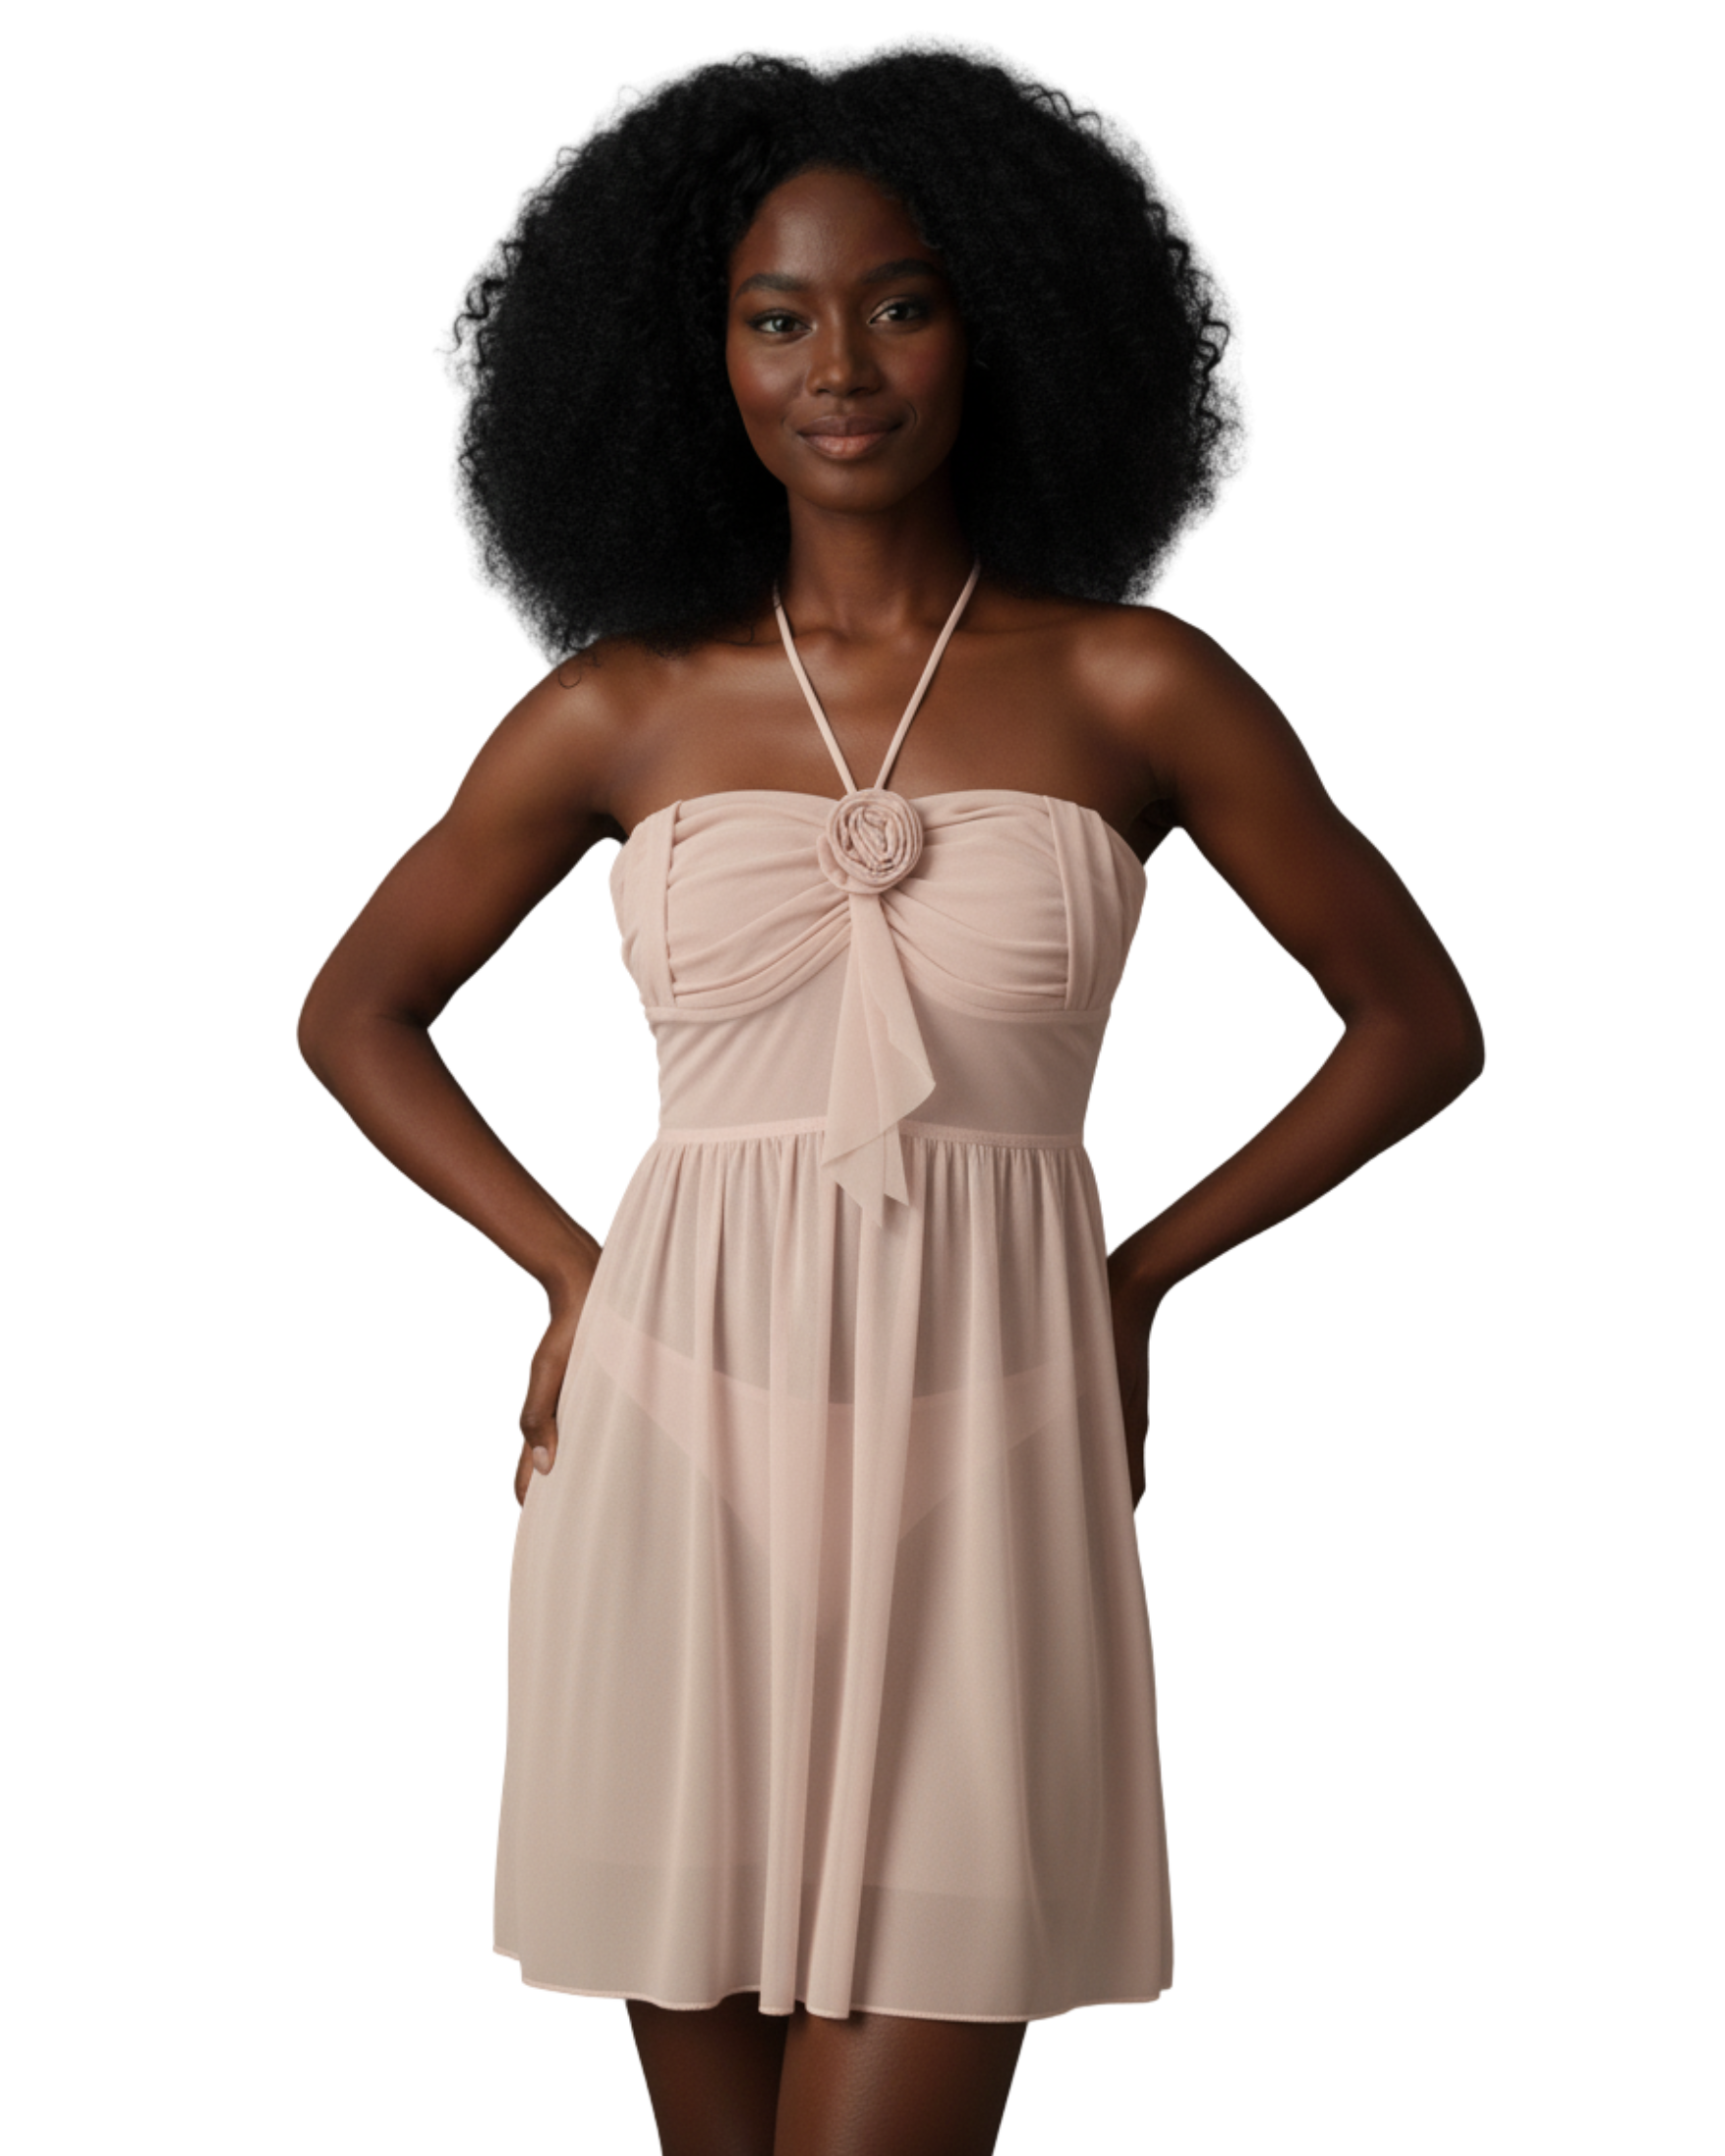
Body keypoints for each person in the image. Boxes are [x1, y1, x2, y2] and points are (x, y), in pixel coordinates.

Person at [296, 38, 1486, 2156]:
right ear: (702, 361)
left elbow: (1414, 1019)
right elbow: (357, 1008)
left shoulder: (1135, 680)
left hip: (991, 1432)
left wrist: (1135, 1276)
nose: (836, 367)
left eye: (898, 302)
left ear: (995, 324)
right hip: (674, 1431)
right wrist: (572, 1266)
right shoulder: (618, 706)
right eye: (777, 318)